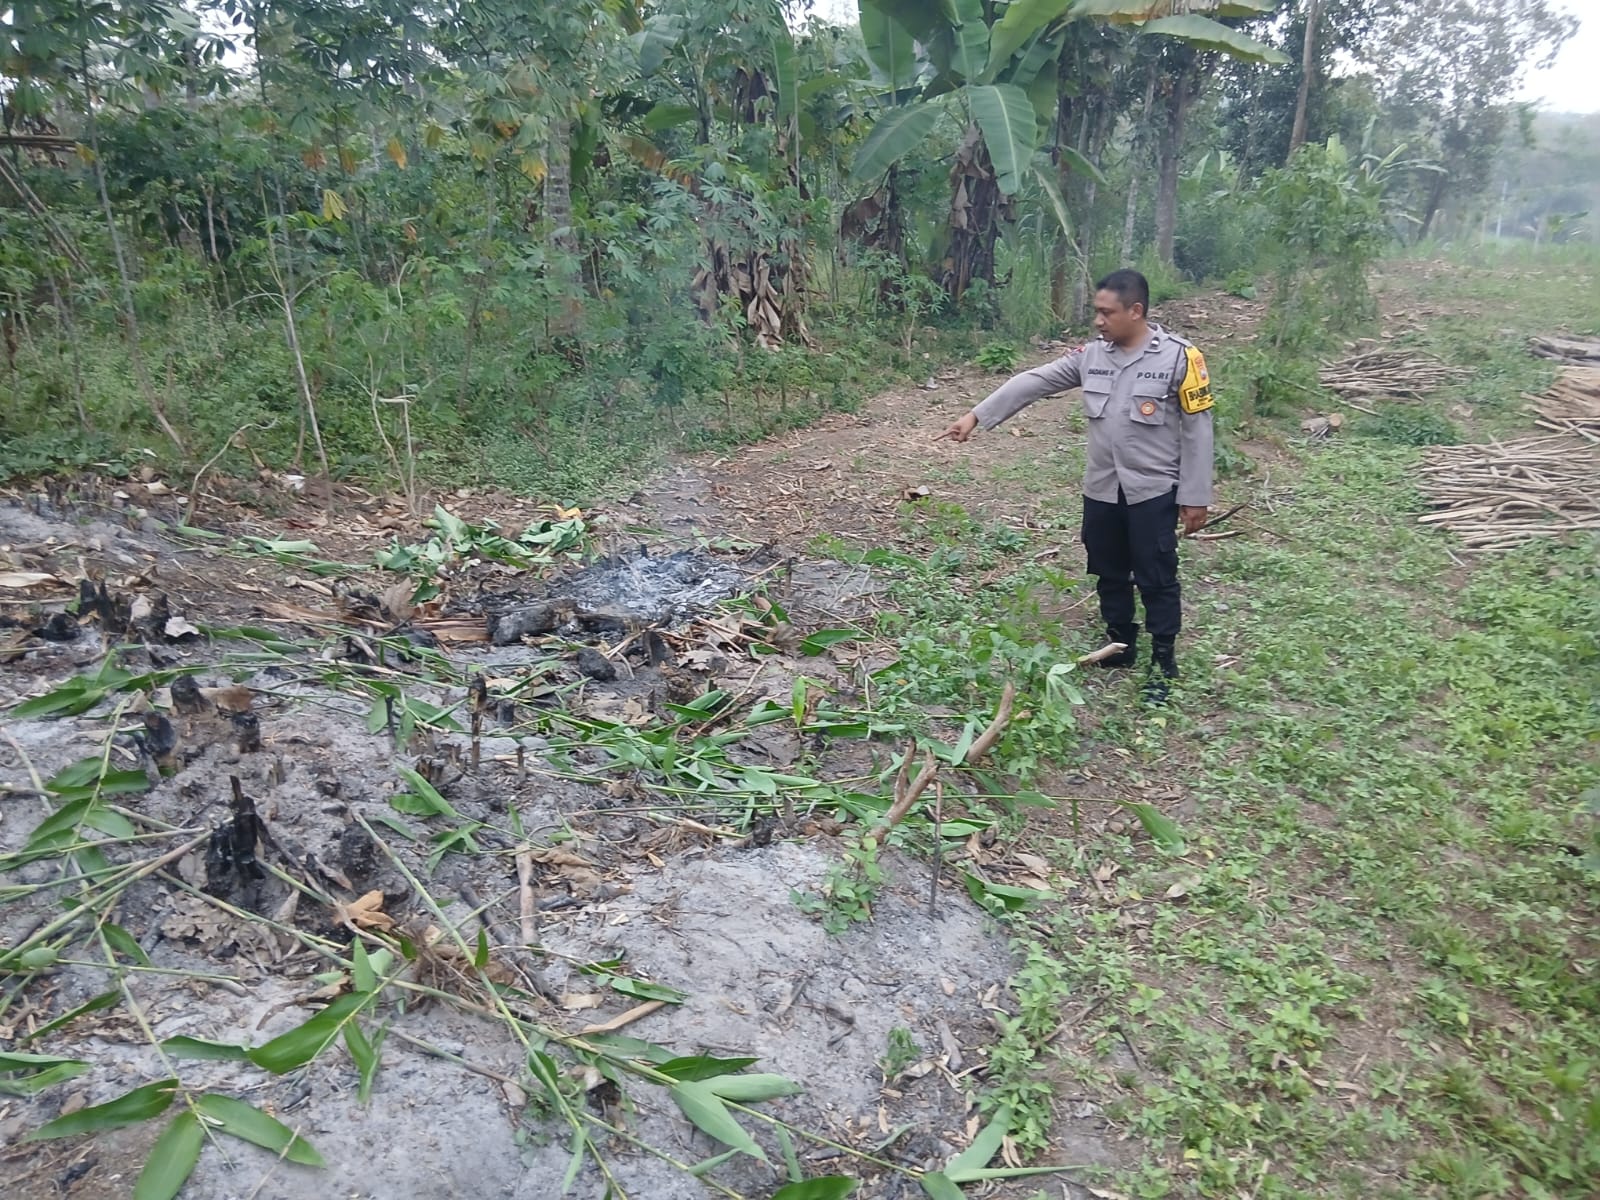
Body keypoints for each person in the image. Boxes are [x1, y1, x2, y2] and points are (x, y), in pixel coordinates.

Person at [938, 268, 1213, 704]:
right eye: (1096, 312)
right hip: (1103, 489)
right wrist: (976, 415)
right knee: (1107, 569)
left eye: (1107, 313)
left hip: (1153, 491)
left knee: (1157, 575)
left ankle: (1163, 660)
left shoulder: (1180, 358)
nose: (1098, 321)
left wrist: (1195, 497)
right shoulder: (1092, 356)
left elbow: (1198, 431)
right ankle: (1120, 645)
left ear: (1136, 311)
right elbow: (1034, 381)